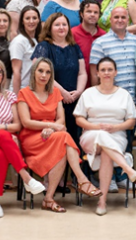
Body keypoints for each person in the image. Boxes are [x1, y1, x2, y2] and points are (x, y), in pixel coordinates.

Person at [18, 58, 103, 214]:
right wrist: (50, 126)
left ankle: (49, 198)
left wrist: (52, 128)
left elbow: (61, 120)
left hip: (52, 136)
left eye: (48, 72)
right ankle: (82, 180)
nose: (44, 75)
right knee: (63, 137)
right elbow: (26, 122)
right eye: (40, 71)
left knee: (62, 144)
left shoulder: (55, 92)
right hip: (32, 138)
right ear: (34, 72)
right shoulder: (24, 93)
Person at [0, 60, 47, 219]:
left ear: (4, 75)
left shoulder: (10, 96)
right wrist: (3, 130)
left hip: (4, 142)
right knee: (4, 136)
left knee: (0, 153)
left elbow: (17, 125)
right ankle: (26, 177)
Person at [75, 58, 136, 216]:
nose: (106, 73)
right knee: (101, 135)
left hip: (117, 136)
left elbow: (132, 120)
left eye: (110, 70)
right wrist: (97, 127)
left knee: (106, 152)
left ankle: (102, 201)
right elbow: (79, 119)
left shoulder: (123, 94)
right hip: (91, 135)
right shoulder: (88, 93)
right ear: (97, 73)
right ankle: (127, 168)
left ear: (115, 72)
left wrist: (115, 127)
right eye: (103, 70)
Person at [32, 13, 88, 145]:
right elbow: (39, 73)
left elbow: (82, 73)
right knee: (57, 139)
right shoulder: (43, 47)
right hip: (52, 99)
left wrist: (79, 91)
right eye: (57, 25)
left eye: (64, 24)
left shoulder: (74, 47)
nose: (61, 27)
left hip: (74, 99)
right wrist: (63, 92)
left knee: (74, 138)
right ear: (50, 27)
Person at [90, 7, 136, 98]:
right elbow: (94, 74)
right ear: (111, 19)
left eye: (123, 17)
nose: (120, 20)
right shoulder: (100, 43)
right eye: (116, 17)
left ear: (128, 20)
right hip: (111, 98)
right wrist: (98, 97)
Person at [72, 0, 106, 88]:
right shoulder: (72, 34)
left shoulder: (104, 36)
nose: (92, 14)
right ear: (81, 14)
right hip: (76, 85)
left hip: (99, 86)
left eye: (96, 12)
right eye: (89, 11)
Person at [11, 7, 42, 93]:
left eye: (34, 18)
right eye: (27, 18)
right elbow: (16, 71)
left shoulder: (39, 41)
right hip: (22, 89)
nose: (31, 21)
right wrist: (17, 96)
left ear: (38, 20)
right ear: (22, 21)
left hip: (36, 90)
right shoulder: (19, 41)